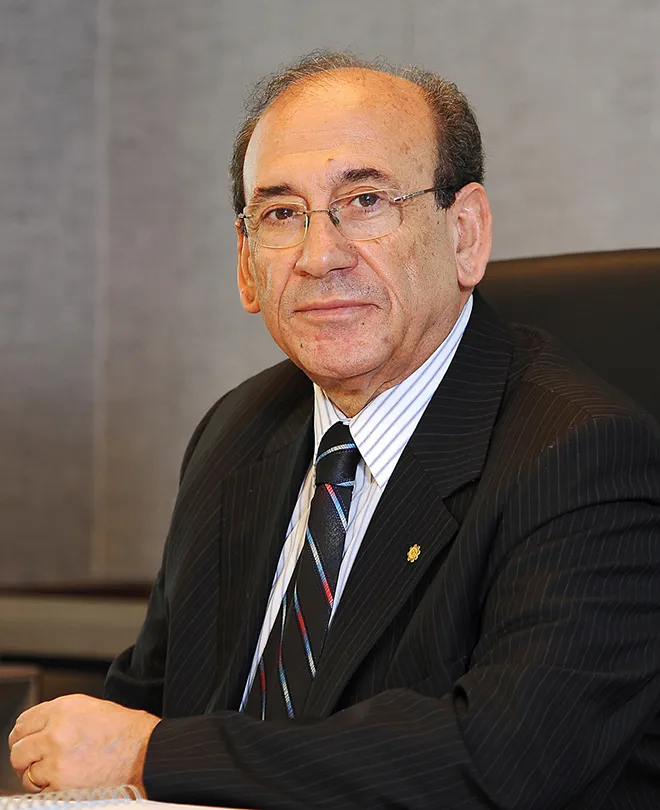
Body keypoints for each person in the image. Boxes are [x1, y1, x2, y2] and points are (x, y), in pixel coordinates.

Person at [8, 52, 660, 810]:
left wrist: (153, 754)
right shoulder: (237, 433)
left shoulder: (581, 454)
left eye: (366, 201)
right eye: (281, 215)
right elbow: (145, 701)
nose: (320, 257)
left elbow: (503, 765)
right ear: (247, 266)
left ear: (465, 234)